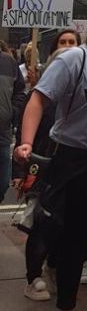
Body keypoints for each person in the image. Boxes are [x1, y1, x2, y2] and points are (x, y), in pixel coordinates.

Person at [15, 5, 87, 311]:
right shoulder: (75, 58)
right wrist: (26, 142)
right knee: (75, 241)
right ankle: (66, 303)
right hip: (74, 161)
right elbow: (38, 99)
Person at [13, 28, 82, 302]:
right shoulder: (41, 95)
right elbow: (25, 133)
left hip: (73, 169)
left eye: (72, 42)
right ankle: (34, 277)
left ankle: (54, 265)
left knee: (68, 225)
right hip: (42, 168)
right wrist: (21, 170)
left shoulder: (83, 93)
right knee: (42, 223)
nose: (68, 46)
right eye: (62, 42)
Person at [0, 39, 24, 199]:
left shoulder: (8, 62)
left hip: (2, 134)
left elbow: (19, 92)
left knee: (2, 184)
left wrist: (12, 113)